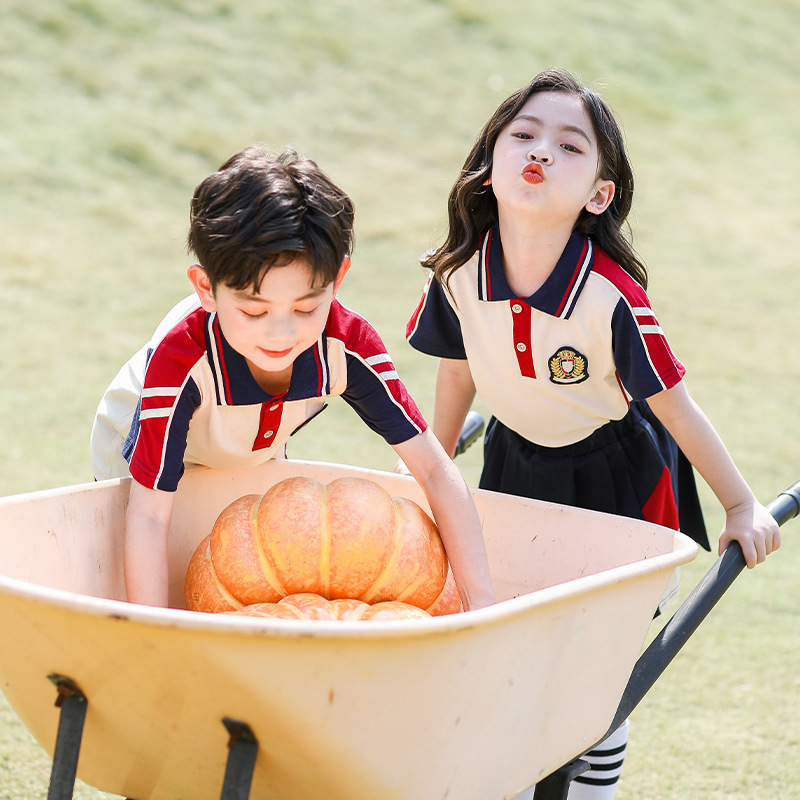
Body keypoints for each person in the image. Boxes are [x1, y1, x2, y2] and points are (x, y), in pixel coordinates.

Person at [405, 69, 780, 799]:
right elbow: (456, 379)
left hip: (615, 476)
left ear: (598, 195)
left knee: (597, 663)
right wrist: (433, 473)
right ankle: (514, 778)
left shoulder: (612, 298)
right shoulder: (456, 275)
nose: (540, 150)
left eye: (570, 146)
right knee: (513, 633)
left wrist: (741, 506)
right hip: (515, 465)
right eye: (523, 135)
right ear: (488, 163)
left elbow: (675, 408)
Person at [91, 145, 495, 613]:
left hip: (249, 439)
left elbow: (433, 470)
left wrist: (482, 607)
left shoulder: (345, 345)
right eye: (253, 310)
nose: (281, 334)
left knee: (255, 552)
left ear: (337, 280)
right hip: (144, 449)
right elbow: (147, 518)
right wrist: (152, 632)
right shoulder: (180, 364)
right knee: (173, 572)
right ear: (206, 289)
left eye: (305, 308)